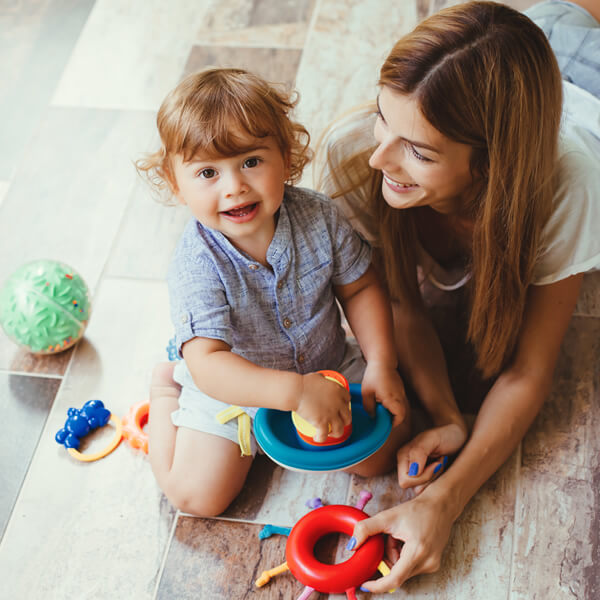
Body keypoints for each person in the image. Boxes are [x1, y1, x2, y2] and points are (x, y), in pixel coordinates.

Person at [316, 0, 600, 592]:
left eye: (418, 151)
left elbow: (528, 370)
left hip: (588, 86)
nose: (378, 158)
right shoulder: (351, 155)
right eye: (382, 118)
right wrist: (447, 416)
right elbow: (397, 301)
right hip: (526, 69)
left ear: (490, 168)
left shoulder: (569, 182)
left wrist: (444, 503)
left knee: (572, 23)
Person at [135, 68, 410, 517]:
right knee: (197, 498)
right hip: (229, 389)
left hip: (326, 365)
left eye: (250, 161)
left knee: (384, 449)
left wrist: (381, 362)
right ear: (174, 183)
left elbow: (361, 288)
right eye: (207, 172)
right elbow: (210, 363)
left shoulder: (318, 216)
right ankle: (166, 388)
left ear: (285, 155)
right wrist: (294, 393)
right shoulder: (196, 263)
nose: (234, 186)